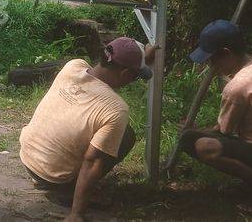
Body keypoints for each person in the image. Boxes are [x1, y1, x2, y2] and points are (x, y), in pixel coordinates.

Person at [19, 37, 156, 222]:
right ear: (125, 74)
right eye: (135, 76)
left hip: (29, 158)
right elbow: (92, 161)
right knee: (126, 136)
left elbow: (113, 65)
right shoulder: (116, 109)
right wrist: (77, 214)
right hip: (55, 176)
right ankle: (69, 190)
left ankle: (53, 181)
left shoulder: (73, 66)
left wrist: (140, 60)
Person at [180, 20, 252, 213]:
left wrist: (194, 131)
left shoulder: (237, 87)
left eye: (213, 60)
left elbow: (224, 132)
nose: (211, 66)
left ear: (227, 53)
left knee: (198, 144)